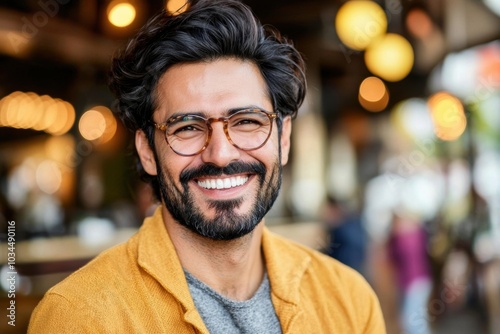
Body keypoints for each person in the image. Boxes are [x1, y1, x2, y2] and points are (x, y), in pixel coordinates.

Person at [28, 1, 386, 332]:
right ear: (147, 151)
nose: (221, 154)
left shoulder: (349, 300)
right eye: (186, 128)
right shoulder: (78, 317)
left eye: (247, 121)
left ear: (284, 138)